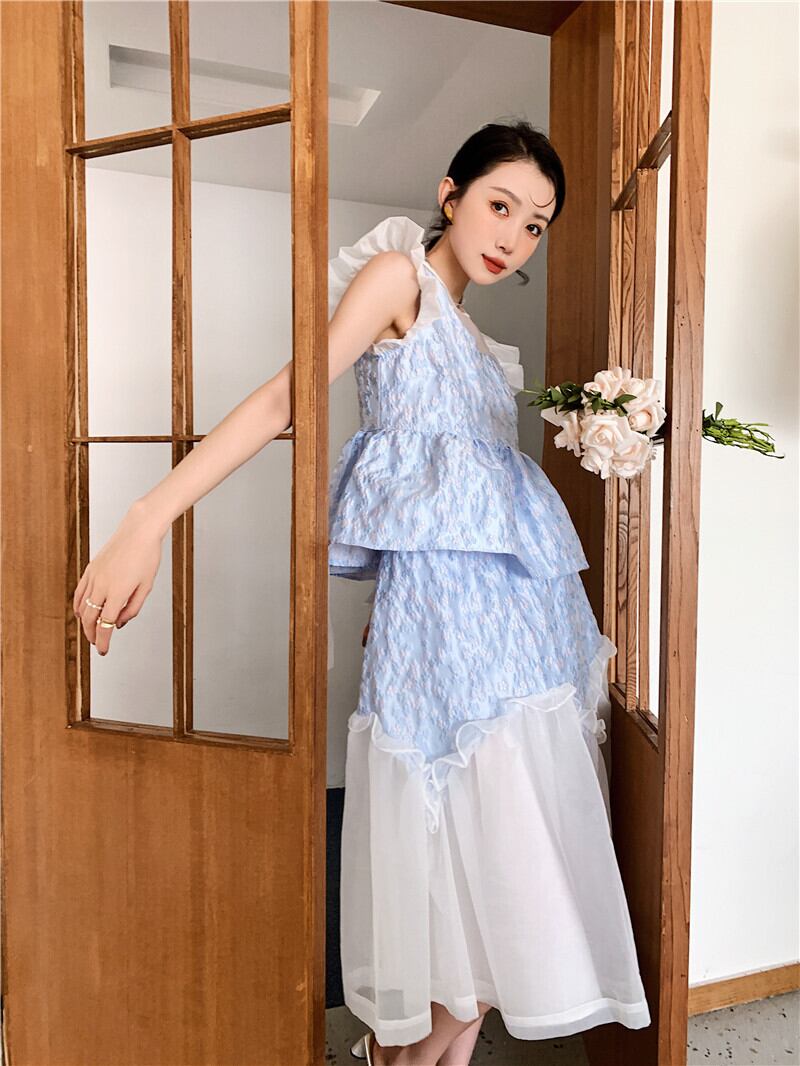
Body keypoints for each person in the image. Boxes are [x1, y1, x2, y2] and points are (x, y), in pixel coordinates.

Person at [73, 119, 651, 1066]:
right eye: (500, 205)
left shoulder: (486, 348)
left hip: (520, 634)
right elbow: (284, 399)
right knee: (463, 896)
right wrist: (149, 515)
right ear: (451, 193)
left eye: (536, 225)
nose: (513, 237)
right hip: (440, 643)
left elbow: (461, 503)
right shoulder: (397, 281)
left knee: (498, 919)